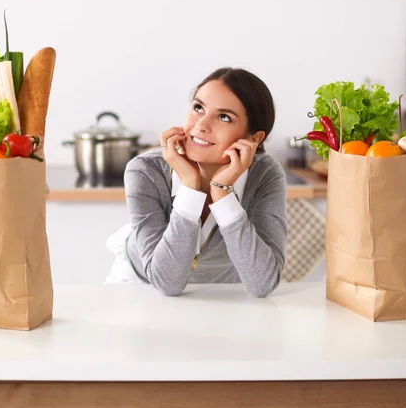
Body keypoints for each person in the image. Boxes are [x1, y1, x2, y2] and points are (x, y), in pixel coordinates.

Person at [105, 67, 287, 297]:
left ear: (253, 138)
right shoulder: (146, 170)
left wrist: (222, 193)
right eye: (198, 108)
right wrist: (190, 187)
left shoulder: (265, 174)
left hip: (222, 293)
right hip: (141, 287)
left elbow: (263, 284)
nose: (201, 125)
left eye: (224, 117)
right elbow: (166, 282)